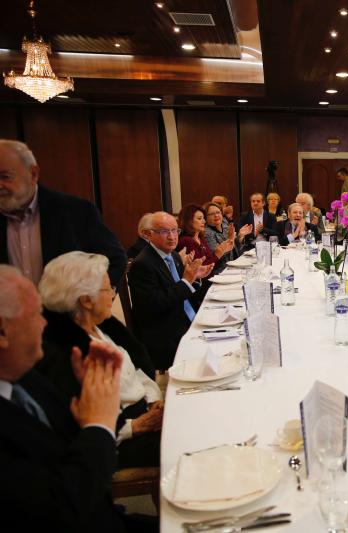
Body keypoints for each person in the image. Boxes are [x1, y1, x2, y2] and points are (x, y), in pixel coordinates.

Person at [0, 265, 137, 531]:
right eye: (35, 315)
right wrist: (98, 425)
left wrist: (88, 393)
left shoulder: (25, 377)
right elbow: (62, 508)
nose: (43, 324)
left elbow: (68, 442)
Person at [37, 252, 163, 468]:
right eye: (108, 289)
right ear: (86, 300)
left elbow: (137, 371)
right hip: (121, 442)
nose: (113, 294)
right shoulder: (68, 352)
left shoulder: (100, 328)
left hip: (143, 414)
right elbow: (78, 425)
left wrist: (153, 400)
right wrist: (136, 426)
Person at [0, 139, 127, 286]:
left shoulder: (76, 212)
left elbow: (114, 259)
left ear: (33, 174)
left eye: (5, 176)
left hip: (69, 309)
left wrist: (95, 297)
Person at [128, 211, 212, 370]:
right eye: (164, 231)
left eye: (175, 230)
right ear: (148, 234)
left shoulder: (172, 255)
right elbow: (154, 304)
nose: (172, 237)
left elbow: (181, 291)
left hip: (187, 319)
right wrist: (186, 281)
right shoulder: (142, 264)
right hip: (166, 333)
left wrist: (194, 278)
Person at [177, 203, 231, 271]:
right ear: (189, 221)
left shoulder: (200, 238)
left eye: (203, 218)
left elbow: (209, 259)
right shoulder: (186, 240)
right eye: (199, 218)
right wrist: (218, 254)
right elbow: (201, 268)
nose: (204, 221)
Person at [204, 201, 252, 266]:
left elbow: (236, 249)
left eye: (218, 212)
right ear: (205, 217)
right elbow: (217, 256)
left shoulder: (224, 225)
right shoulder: (206, 233)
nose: (216, 215)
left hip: (234, 264)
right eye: (211, 214)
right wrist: (230, 239)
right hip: (221, 269)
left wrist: (240, 236)